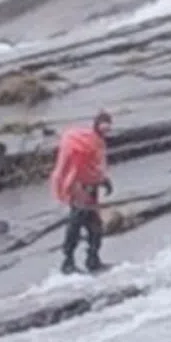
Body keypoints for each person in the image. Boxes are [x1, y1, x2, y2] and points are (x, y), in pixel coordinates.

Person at [50, 110, 113, 274]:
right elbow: (75, 166)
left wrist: (104, 180)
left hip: (91, 190)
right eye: (103, 127)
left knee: (95, 227)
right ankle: (68, 262)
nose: (105, 132)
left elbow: (96, 166)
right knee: (76, 224)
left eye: (108, 129)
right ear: (97, 125)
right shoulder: (80, 141)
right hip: (78, 188)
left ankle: (93, 259)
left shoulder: (98, 143)